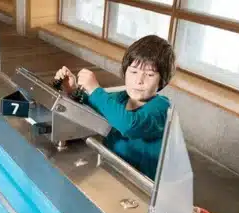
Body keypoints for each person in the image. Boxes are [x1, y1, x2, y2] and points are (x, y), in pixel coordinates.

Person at [53, 34, 176, 180]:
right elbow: (95, 105)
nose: (139, 81)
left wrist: (95, 89)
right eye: (133, 72)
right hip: (112, 171)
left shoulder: (161, 108)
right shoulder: (121, 97)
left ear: (162, 80)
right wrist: (73, 90)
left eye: (149, 75)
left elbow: (129, 124)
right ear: (125, 72)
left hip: (141, 186)